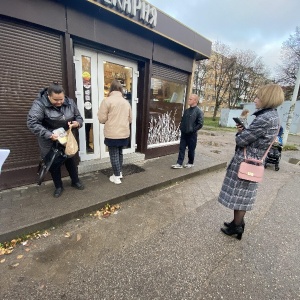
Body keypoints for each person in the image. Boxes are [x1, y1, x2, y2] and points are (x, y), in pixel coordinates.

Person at [218, 84, 284, 240]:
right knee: (241, 196)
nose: (255, 100)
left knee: (241, 197)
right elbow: (255, 137)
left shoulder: (265, 118)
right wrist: (246, 131)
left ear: (267, 99)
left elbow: (242, 141)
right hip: (254, 161)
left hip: (247, 162)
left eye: (258, 97)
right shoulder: (272, 116)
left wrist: (240, 133)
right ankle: (236, 223)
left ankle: (238, 227)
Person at [27, 82, 84, 198]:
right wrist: (48, 134)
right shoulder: (39, 104)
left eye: (61, 99)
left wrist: (77, 123)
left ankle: (75, 181)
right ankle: (58, 186)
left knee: (70, 159)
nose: (59, 102)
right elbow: (32, 123)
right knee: (53, 164)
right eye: (55, 100)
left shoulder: (70, 102)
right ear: (48, 96)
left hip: (66, 137)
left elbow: (79, 117)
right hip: (49, 140)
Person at [97, 79, 132, 184]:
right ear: (121, 89)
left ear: (110, 89)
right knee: (120, 153)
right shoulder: (126, 102)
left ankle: (116, 176)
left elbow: (102, 119)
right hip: (124, 132)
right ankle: (119, 172)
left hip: (112, 133)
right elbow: (130, 119)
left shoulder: (107, 101)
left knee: (113, 155)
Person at [171, 94, 204, 169]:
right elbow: (183, 120)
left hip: (192, 135)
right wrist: (181, 128)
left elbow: (200, 124)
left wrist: (192, 130)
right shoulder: (186, 111)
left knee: (191, 149)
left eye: (190, 99)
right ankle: (179, 163)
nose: (188, 100)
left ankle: (190, 162)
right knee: (181, 148)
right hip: (184, 133)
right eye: (189, 99)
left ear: (195, 101)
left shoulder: (199, 112)